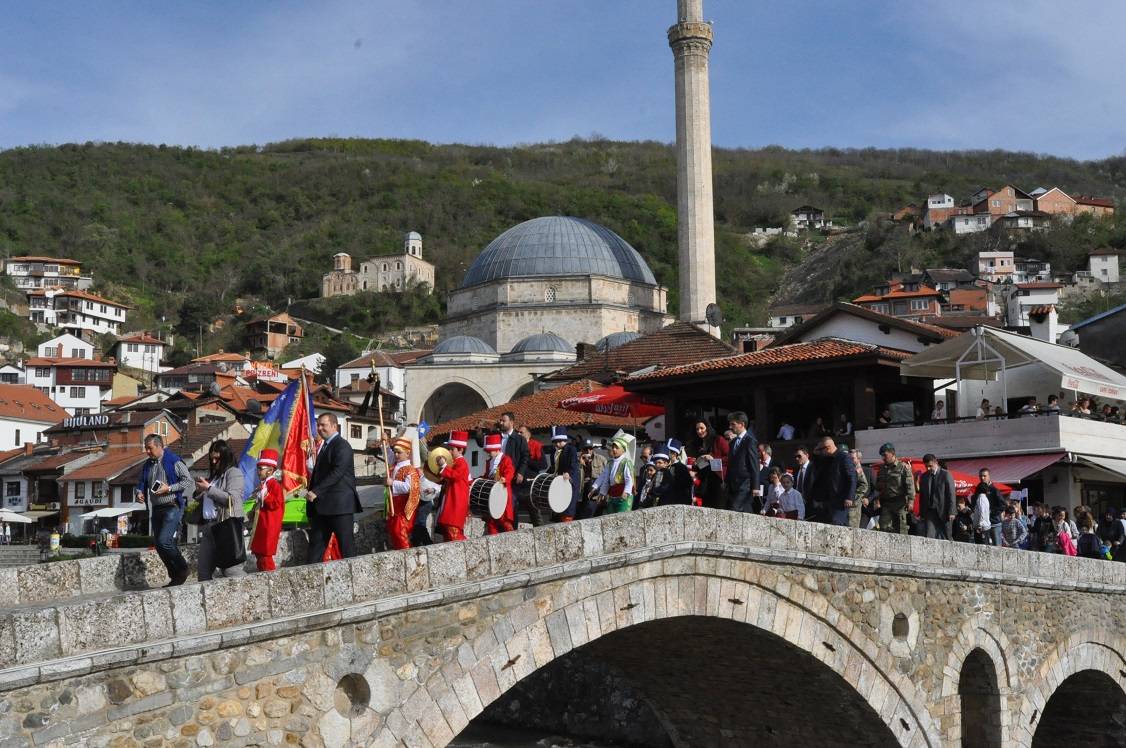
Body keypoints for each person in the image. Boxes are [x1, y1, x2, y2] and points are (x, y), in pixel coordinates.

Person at [135, 434, 192, 586]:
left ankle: (183, 568)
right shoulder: (148, 464)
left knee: (164, 541)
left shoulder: (174, 461)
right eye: (146, 448)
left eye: (150, 448)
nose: (147, 451)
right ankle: (176, 575)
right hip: (156, 508)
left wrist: (170, 488)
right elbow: (141, 481)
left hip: (172, 506)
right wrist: (139, 492)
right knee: (159, 545)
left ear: (160, 446)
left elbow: (188, 481)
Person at [305, 413, 361, 562]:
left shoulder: (342, 445)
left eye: (323, 425)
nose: (320, 428)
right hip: (322, 507)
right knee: (316, 547)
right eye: (318, 425)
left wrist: (316, 491)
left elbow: (338, 472)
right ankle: (312, 581)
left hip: (339, 506)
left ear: (334, 426)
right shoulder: (325, 446)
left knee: (346, 548)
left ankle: (353, 580)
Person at [193, 439, 247, 581]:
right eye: (212, 459)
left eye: (218, 458)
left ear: (226, 457)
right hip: (208, 528)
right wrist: (200, 491)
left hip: (225, 527)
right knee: (203, 573)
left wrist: (209, 489)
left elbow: (232, 499)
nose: (214, 462)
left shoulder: (234, 473)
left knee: (231, 571)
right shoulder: (214, 477)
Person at [496, 412, 537, 525]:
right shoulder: (497, 437)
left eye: (504, 421)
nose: (501, 423)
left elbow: (525, 457)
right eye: (501, 420)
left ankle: (512, 529)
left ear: (512, 422)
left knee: (512, 504)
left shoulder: (519, 439)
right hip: (498, 476)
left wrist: (521, 472)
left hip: (513, 477)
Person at [249, 448, 285, 571]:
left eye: (261, 469)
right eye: (258, 468)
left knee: (265, 556)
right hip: (261, 524)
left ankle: (270, 579)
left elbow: (276, 503)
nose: (258, 472)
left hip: (269, 524)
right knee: (259, 554)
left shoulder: (274, 485)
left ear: (270, 470)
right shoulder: (263, 485)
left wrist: (266, 496)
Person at [809, 436, 856, 527]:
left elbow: (852, 477)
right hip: (828, 500)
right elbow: (817, 466)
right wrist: (815, 453)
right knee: (827, 523)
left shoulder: (843, 457)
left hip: (841, 500)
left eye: (821, 450)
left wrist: (849, 497)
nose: (821, 453)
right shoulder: (827, 459)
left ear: (827, 448)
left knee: (837, 523)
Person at [385, 437, 422, 549]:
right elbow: (388, 456)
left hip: (403, 505)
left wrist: (392, 483)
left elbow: (408, 487)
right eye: (395, 452)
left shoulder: (410, 470)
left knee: (400, 531)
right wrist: (386, 444)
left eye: (399, 452)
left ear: (407, 453)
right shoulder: (396, 464)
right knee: (393, 530)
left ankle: (407, 553)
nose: (396, 455)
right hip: (394, 503)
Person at [436, 431, 471, 540]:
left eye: (452, 449)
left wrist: (444, 466)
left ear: (460, 450)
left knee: (453, 530)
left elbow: (455, 476)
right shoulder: (454, 462)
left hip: (457, 500)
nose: (449, 451)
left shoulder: (462, 463)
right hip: (451, 498)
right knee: (448, 530)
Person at [874, 443, 914, 535]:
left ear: (892, 453)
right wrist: (877, 501)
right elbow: (878, 486)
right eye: (882, 456)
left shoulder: (903, 467)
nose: (883, 458)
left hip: (899, 503)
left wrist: (911, 501)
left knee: (900, 529)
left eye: (885, 455)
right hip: (886, 503)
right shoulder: (882, 469)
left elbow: (910, 485)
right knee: (883, 528)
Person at [542, 426, 581, 521]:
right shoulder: (554, 452)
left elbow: (574, 464)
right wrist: (545, 475)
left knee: (568, 507)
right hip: (559, 482)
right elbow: (553, 467)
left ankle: (568, 523)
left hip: (570, 481)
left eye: (557, 442)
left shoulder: (571, 449)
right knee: (559, 506)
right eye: (555, 442)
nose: (556, 444)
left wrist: (568, 473)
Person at [725, 411, 759, 513]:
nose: (730, 427)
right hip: (733, 484)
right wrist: (726, 481)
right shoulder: (733, 443)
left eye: (733, 424)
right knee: (742, 510)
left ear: (742, 424)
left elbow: (754, 464)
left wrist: (755, 487)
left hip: (745, 484)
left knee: (734, 509)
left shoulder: (750, 441)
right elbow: (730, 463)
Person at [481, 433, 516, 534]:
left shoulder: (505, 459)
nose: (488, 453)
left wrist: (505, 478)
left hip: (503, 493)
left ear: (497, 449)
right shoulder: (489, 462)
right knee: (492, 521)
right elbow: (487, 475)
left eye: (490, 451)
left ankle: (512, 539)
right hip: (492, 494)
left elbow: (510, 471)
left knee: (504, 520)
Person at [590, 436, 634, 513]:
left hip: (623, 496)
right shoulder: (610, 463)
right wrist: (596, 489)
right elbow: (604, 478)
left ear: (623, 450)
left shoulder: (626, 462)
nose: (614, 449)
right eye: (613, 447)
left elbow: (629, 479)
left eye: (617, 447)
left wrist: (626, 492)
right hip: (612, 495)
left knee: (622, 518)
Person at [918, 454, 956, 540]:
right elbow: (922, 496)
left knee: (947, 536)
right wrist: (921, 512)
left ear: (936, 462)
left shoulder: (946, 474)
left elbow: (951, 494)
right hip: (929, 512)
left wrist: (952, 511)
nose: (928, 468)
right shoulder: (924, 477)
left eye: (930, 466)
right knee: (929, 536)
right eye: (926, 466)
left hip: (944, 511)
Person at [975, 469, 1004, 547]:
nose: (982, 478)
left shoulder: (995, 490)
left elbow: (1003, 505)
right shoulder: (978, 489)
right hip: (983, 525)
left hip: (994, 523)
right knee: (984, 548)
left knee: (997, 547)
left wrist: (991, 512)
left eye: (984, 476)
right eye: (980, 476)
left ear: (989, 477)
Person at [849, 448, 871, 529]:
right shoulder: (848, 468)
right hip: (846, 505)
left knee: (853, 528)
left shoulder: (863, 470)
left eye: (852, 458)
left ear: (858, 459)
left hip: (856, 505)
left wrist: (854, 497)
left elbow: (864, 485)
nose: (850, 460)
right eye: (849, 458)